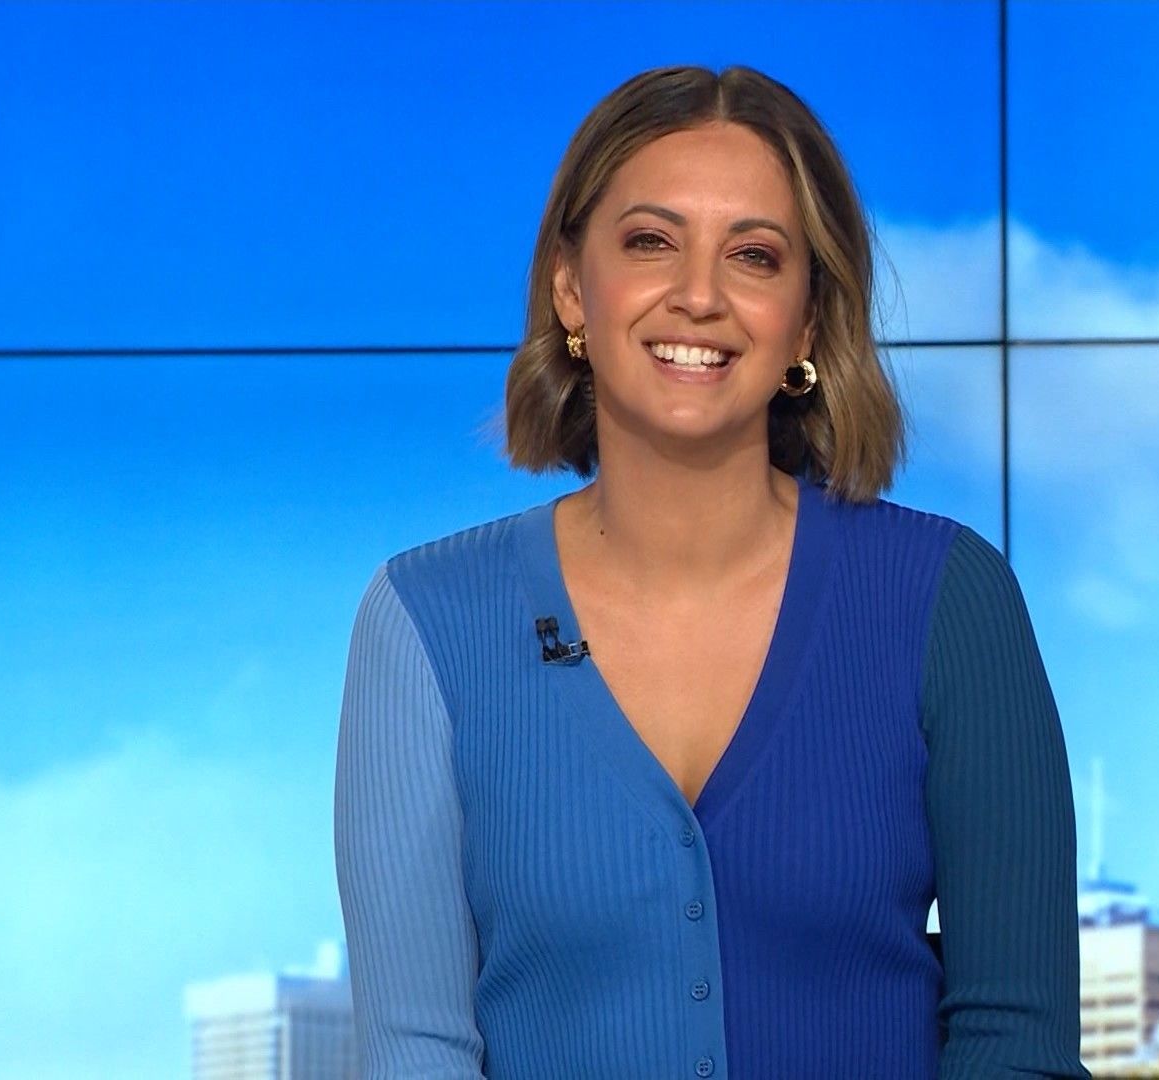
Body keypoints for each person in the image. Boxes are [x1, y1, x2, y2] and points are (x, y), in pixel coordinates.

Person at [334, 64, 1088, 1080]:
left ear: (808, 320)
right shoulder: (425, 620)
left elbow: (1015, 1041)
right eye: (651, 242)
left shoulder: (949, 598)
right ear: (571, 286)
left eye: (755, 256)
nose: (699, 296)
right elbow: (415, 1052)